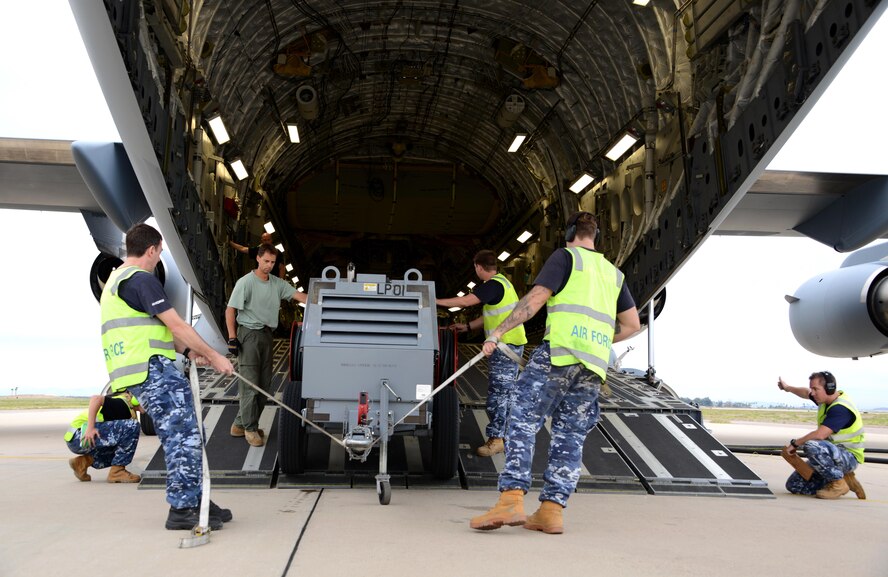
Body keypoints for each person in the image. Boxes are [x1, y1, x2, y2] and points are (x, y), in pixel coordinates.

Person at [470, 211, 640, 534]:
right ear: (596, 236)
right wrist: (601, 339)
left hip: (558, 355)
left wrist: (497, 333)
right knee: (570, 434)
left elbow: (533, 302)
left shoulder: (566, 258)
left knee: (521, 415)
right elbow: (633, 325)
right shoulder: (613, 274)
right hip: (593, 366)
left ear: (572, 232)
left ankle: (511, 498)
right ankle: (551, 510)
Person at [101, 223, 235, 531]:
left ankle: (198, 498)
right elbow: (177, 326)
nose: (158, 258)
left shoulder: (116, 281)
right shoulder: (141, 280)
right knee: (183, 435)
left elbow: (157, 329)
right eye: (159, 253)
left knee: (190, 430)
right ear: (150, 250)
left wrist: (189, 353)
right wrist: (215, 356)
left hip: (142, 369)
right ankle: (183, 507)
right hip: (152, 371)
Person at [436, 249, 527, 457]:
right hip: (509, 346)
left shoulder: (493, 285)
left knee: (499, 396)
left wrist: (435, 301)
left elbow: (466, 302)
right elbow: (491, 317)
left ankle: (497, 440)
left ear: (478, 267)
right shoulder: (504, 284)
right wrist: (467, 327)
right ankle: (507, 438)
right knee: (507, 395)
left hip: (505, 347)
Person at [226, 244, 307, 447]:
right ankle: (250, 429)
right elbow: (230, 310)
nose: (269, 266)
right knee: (250, 384)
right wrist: (232, 338)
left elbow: (299, 296)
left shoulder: (277, 284)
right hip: (249, 335)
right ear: (258, 259)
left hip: (266, 336)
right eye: (266, 261)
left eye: (272, 262)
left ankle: (239, 425)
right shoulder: (246, 282)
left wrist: (324, 300)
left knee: (263, 385)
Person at [777, 371, 866, 499]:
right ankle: (844, 478)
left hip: (848, 456)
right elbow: (805, 393)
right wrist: (787, 388)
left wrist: (795, 444)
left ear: (829, 389)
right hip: (829, 455)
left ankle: (838, 483)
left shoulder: (840, 408)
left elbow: (820, 435)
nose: (812, 393)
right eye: (812, 388)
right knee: (794, 485)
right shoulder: (824, 400)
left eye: (815, 389)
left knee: (812, 445)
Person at [65, 390, 143, 483]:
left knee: (122, 448)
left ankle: (82, 463)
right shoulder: (122, 404)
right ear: (137, 400)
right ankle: (117, 472)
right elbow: (96, 398)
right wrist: (90, 427)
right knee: (133, 426)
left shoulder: (128, 409)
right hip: (80, 436)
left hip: (77, 440)